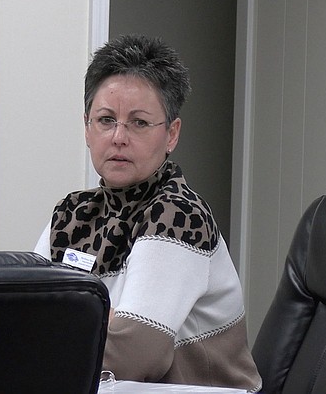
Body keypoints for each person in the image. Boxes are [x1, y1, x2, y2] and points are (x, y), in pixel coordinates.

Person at [34, 35, 262, 392]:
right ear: (87, 128)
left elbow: (135, 357)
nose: (119, 137)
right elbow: (24, 313)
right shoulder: (71, 214)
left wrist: (75, 316)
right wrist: (102, 319)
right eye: (106, 120)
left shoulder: (179, 215)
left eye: (139, 123)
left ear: (171, 134)